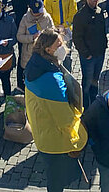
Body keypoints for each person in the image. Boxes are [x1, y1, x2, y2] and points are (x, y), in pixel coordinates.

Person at [24, 28, 87, 192]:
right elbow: (65, 119)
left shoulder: (34, 65)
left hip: (42, 133)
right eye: (59, 44)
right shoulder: (52, 79)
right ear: (48, 50)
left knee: (53, 177)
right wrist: (78, 139)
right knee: (57, 181)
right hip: (56, 142)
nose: (63, 46)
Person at [72, 0, 109, 102]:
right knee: (87, 83)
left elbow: (103, 30)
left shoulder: (99, 12)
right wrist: (85, 54)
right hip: (88, 56)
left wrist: (104, 46)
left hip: (100, 53)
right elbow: (77, 38)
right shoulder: (80, 16)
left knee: (95, 81)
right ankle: (85, 105)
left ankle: (94, 103)